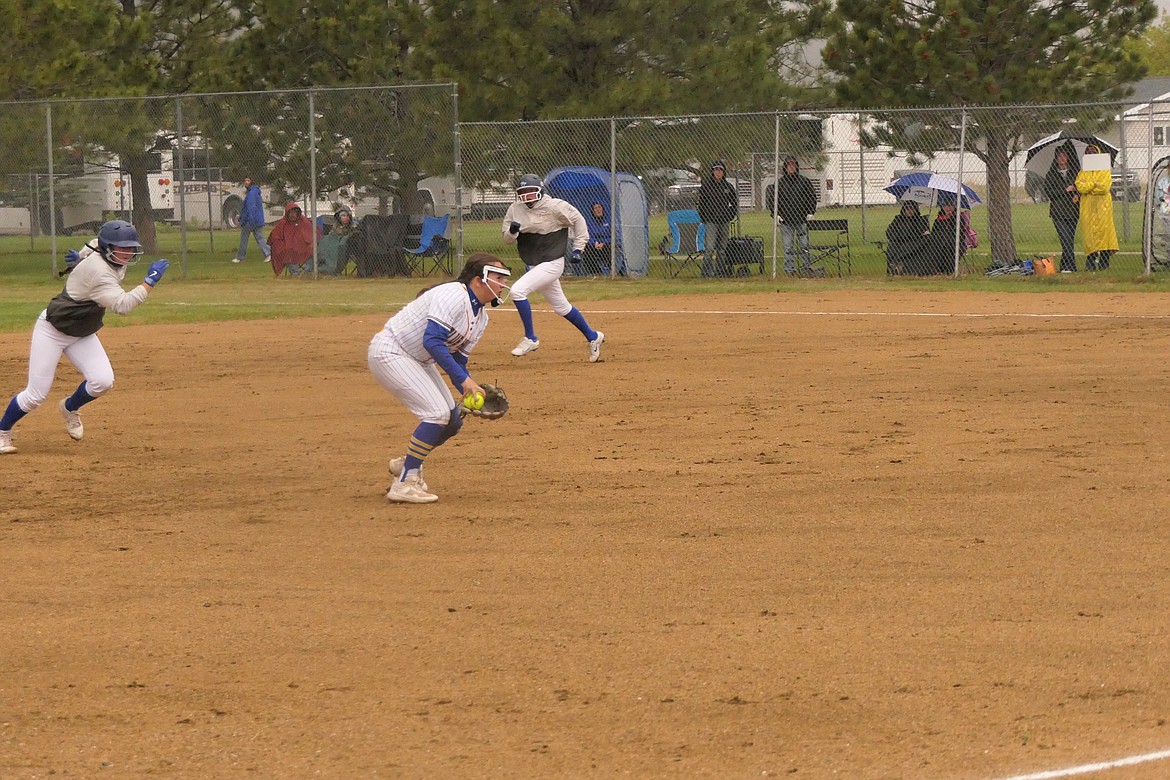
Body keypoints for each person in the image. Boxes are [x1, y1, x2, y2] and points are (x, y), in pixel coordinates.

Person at [0, 220, 169, 455]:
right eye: (124, 248)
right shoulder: (100, 273)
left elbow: (91, 245)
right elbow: (123, 305)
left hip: (81, 331)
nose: (129, 252)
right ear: (108, 248)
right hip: (53, 330)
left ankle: (70, 407)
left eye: (131, 247)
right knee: (36, 394)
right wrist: (149, 282)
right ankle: (2, 431)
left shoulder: (106, 252)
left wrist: (78, 256)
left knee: (103, 381)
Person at [368, 253, 513, 503]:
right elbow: (432, 340)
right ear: (478, 280)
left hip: (418, 359)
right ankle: (404, 483)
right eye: (498, 278)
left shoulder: (481, 317)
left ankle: (407, 465)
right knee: (437, 415)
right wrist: (465, 382)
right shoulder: (454, 294)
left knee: (453, 421)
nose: (503, 284)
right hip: (392, 350)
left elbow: (458, 360)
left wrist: (469, 388)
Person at [501, 174, 606, 363]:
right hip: (534, 262)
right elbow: (507, 240)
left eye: (530, 192)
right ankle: (593, 336)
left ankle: (531, 338)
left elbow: (579, 220)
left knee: (517, 291)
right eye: (522, 193)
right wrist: (512, 232)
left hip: (553, 262)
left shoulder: (555, 206)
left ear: (540, 191)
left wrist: (578, 248)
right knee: (561, 307)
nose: (526, 197)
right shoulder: (515, 209)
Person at [1075, 145, 1119, 272]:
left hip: (1103, 206)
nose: (1091, 154)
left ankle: (1104, 262)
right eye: (1088, 152)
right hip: (1088, 206)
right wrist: (1094, 184)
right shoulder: (1083, 171)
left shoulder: (1105, 170)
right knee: (1089, 234)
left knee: (1104, 232)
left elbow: (1104, 187)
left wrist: (1089, 187)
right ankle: (1090, 261)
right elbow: (1079, 186)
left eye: (1094, 152)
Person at [774, 155, 819, 276]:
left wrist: (810, 212)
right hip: (786, 221)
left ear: (797, 166)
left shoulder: (804, 181)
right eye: (789, 165)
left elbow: (811, 197)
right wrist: (776, 215)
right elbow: (773, 201)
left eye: (793, 165)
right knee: (788, 247)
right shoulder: (780, 183)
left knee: (804, 245)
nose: (791, 167)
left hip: (801, 219)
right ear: (785, 167)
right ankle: (790, 270)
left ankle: (806, 267)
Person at [1043, 144, 1081, 273]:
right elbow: (1049, 192)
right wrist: (1065, 190)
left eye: (1064, 155)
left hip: (1073, 211)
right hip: (1058, 213)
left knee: (1069, 240)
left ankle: (1064, 266)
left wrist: (1077, 192)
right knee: (1065, 239)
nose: (1062, 158)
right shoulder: (1051, 174)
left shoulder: (1076, 172)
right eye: (1059, 156)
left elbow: (1081, 187)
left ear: (1068, 157)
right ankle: (1072, 267)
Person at [697, 160, 738, 278]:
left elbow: (734, 203)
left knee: (722, 248)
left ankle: (720, 272)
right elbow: (701, 204)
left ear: (723, 172)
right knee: (709, 247)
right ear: (712, 171)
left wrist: (729, 215)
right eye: (716, 170)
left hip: (724, 221)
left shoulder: (728, 187)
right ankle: (707, 273)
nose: (718, 172)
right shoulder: (706, 186)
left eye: (720, 170)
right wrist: (705, 217)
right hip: (711, 222)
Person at [267, 203, 321, 276]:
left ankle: (307, 272)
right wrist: (282, 245)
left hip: (304, 247)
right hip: (289, 249)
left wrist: (310, 243)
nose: (292, 215)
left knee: (312, 250)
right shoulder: (283, 223)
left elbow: (313, 234)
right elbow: (275, 236)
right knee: (288, 252)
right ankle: (295, 273)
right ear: (287, 213)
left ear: (298, 213)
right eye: (290, 213)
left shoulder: (304, 222)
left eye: (294, 212)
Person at [923, 195, 970, 275]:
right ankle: (933, 269)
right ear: (942, 207)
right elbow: (934, 232)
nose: (948, 208)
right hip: (939, 242)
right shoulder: (939, 219)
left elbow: (959, 232)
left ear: (955, 206)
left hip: (955, 242)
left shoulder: (959, 218)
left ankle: (948, 270)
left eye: (951, 205)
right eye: (945, 206)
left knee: (946, 245)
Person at [884, 200, 931, 275]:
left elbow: (917, 234)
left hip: (914, 242)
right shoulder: (898, 219)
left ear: (916, 210)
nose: (909, 211)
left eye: (912, 209)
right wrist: (900, 237)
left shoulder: (920, 220)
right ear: (904, 210)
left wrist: (903, 236)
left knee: (907, 247)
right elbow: (889, 232)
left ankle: (897, 264)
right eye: (907, 209)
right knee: (892, 247)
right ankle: (893, 267)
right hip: (897, 241)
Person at [232, 177, 270, 264]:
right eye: (245, 180)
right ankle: (269, 253)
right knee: (259, 237)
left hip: (250, 221)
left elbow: (250, 208)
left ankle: (240, 257)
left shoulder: (252, 193)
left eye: (248, 180)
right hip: (257, 220)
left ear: (252, 182)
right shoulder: (254, 192)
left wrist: (246, 219)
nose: (246, 182)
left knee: (244, 239)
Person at [579, 201, 613, 276]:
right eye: (595, 208)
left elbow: (614, 236)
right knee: (586, 249)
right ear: (593, 211)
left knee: (612, 248)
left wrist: (604, 243)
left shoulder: (609, 220)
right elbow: (588, 235)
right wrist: (595, 243)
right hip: (595, 244)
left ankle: (612, 271)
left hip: (606, 244)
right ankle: (596, 272)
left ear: (603, 209)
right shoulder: (589, 222)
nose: (598, 209)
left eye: (599, 207)